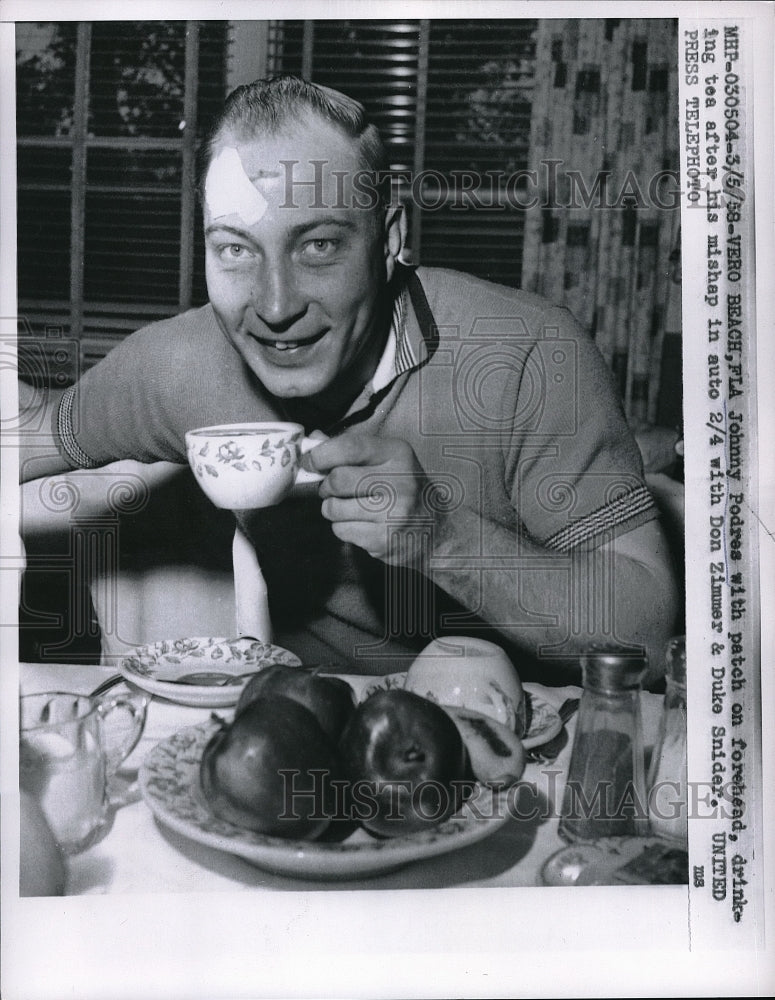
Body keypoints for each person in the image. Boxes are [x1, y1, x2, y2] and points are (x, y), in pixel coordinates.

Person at [19, 75, 678, 684]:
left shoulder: (527, 353)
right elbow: (29, 433)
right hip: (308, 728)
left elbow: (643, 636)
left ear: (389, 238)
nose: (275, 306)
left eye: (319, 245)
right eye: (235, 249)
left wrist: (442, 537)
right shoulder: (177, 364)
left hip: (517, 747)